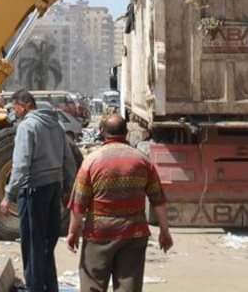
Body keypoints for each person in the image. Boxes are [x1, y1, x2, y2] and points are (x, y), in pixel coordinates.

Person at [66, 114, 173, 292]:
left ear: (103, 132)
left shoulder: (92, 161)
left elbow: (79, 203)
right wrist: (164, 230)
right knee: (129, 287)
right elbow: (158, 200)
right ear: (126, 132)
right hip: (134, 231)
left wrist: (72, 231)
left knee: (92, 284)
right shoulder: (142, 161)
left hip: (99, 232)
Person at [0, 89, 79, 292]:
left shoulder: (27, 126)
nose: (15, 112)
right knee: (47, 243)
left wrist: (8, 195)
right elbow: (69, 160)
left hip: (33, 190)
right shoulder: (57, 125)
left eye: (16, 107)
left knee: (33, 244)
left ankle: (35, 287)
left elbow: (21, 164)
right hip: (54, 187)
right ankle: (50, 286)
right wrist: (67, 188)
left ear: (25, 106)